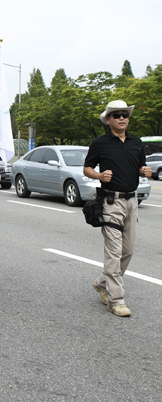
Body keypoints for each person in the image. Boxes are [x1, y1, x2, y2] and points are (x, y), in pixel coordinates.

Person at [83, 100, 152, 317]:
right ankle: (116, 300)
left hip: (132, 202)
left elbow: (140, 167)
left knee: (127, 250)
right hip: (111, 203)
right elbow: (87, 169)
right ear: (109, 119)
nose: (122, 118)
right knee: (113, 252)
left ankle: (102, 283)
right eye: (117, 115)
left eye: (125, 115)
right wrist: (99, 175)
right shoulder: (100, 143)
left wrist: (144, 171)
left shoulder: (136, 142)